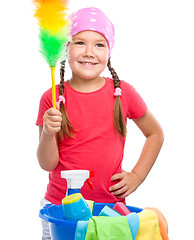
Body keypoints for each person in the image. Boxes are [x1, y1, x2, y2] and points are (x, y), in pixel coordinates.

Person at [36, 7, 164, 239]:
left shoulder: (123, 93)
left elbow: (155, 133)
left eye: (99, 44)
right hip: (60, 210)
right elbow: (47, 163)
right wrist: (47, 132)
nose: (89, 52)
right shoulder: (51, 98)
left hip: (109, 210)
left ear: (109, 51)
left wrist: (137, 176)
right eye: (79, 42)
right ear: (66, 48)